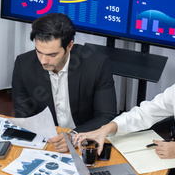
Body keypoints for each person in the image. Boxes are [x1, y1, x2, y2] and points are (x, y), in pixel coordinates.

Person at [11, 13, 117, 151]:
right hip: (48, 142)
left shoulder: (96, 64)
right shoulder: (23, 64)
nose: (43, 61)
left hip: (85, 140)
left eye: (52, 55)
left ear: (69, 46)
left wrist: (73, 136)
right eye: (39, 51)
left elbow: (106, 115)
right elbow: (23, 114)